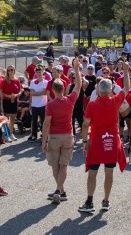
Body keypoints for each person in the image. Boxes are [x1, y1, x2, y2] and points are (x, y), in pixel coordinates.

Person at [78, 62, 129, 213]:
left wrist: (85, 141)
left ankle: (89, 202)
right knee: (109, 172)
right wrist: (125, 72)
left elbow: (86, 124)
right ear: (111, 90)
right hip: (112, 142)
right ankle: (106, 201)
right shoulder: (115, 101)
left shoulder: (92, 105)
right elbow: (126, 89)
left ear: (99, 91)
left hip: (97, 142)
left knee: (93, 172)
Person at [42, 59, 82, 204]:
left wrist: (44, 140)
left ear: (53, 89)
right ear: (64, 89)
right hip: (68, 136)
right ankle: (61, 191)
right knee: (64, 165)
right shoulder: (70, 100)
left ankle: (58, 190)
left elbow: (46, 124)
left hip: (54, 137)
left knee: (55, 165)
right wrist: (76, 69)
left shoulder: (50, 105)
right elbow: (78, 85)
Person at [0, 65, 21, 141]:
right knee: (6, 119)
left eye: (12, 70)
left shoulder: (17, 80)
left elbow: (20, 91)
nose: (10, 71)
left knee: (12, 119)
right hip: (7, 101)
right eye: (9, 70)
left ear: (14, 70)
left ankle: (11, 133)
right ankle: (6, 135)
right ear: (7, 72)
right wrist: (8, 96)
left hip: (14, 101)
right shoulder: (4, 81)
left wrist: (15, 95)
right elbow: (1, 93)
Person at [28, 65, 48, 142]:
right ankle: (34, 135)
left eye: (40, 72)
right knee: (34, 121)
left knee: (43, 121)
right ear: (35, 73)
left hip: (43, 104)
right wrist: (30, 104)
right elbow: (31, 94)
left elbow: (46, 92)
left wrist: (36, 93)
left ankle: (44, 135)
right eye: (37, 72)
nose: (39, 73)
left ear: (43, 72)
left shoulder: (46, 82)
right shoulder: (33, 82)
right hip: (34, 105)